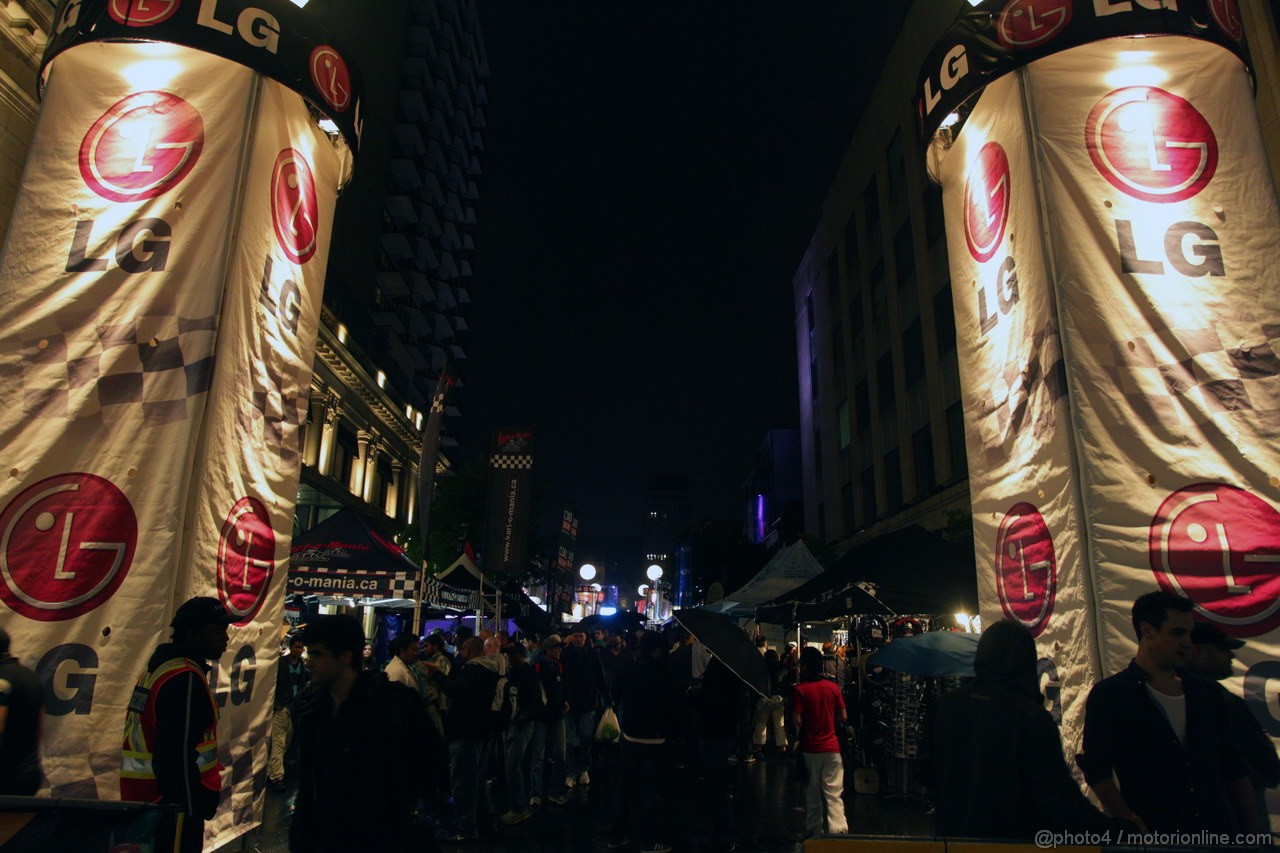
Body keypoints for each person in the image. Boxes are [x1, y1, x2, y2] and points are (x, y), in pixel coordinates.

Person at [927, 620, 1134, 839]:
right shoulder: (1029, 716)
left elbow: (927, 770)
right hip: (1014, 840)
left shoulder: (947, 705)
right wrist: (1115, 832)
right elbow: (1057, 798)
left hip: (954, 838)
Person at [1077, 590, 1261, 834]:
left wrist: (1253, 837)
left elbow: (1234, 769)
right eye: (1177, 632)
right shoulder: (1112, 696)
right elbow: (1096, 770)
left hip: (1216, 834)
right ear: (1147, 631)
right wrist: (1128, 820)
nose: (1187, 642)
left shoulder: (1207, 693)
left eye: (1189, 633)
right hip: (1156, 834)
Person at [289, 615, 427, 852]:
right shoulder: (312, 709)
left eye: (317, 654)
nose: (309, 662)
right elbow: (310, 783)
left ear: (345, 657)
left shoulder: (394, 704)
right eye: (309, 653)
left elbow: (427, 769)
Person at [121, 597, 232, 853]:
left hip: (145, 801)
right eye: (216, 630)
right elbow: (176, 757)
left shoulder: (158, 669)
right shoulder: (184, 679)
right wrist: (191, 808)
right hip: (171, 810)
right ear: (192, 633)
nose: (225, 638)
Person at [1185, 621, 1280, 824]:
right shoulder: (1215, 698)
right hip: (1234, 804)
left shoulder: (1202, 693)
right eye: (1222, 649)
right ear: (1198, 653)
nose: (1231, 656)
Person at [607, 631, 678, 853]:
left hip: (629, 734)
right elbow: (670, 707)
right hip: (654, 739)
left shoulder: (629, 668)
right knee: (650, 790)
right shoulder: (663, 673)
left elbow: (615, 693)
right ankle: (648, 841)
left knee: (624, 787)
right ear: (657, 649)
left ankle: (616, 836)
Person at [444, 637, 505, 842]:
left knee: (464, 782)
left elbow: (457, 692)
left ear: (468, 650)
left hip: (465, 732)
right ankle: (487, 823)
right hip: (482, 732)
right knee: (477, 781)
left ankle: (466, 828)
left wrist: (438, 677)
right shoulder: (492, 670)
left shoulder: (472, 671)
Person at [790, 645, 847, 837]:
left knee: (813, 795)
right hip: (832, 748)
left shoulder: (800, 690)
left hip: (811, 749)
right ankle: (838, 831)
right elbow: (843, 717)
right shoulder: (832, 688)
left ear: (806, 667)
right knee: (834, 794)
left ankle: (814, 831)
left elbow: (797, 720)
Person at [500, 642, 542, 826]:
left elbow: (535, 701)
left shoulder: (526, 674)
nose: (509, 658)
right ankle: (517, 806)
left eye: (512, 654)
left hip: (521, 724)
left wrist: (522, 718)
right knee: (512, 765)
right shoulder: (513, 673)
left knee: (513, 765)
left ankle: (519, 808)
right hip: (515, 723)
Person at [0, 627, 44, 795]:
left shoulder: (3, 680)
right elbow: (39, 730)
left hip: (7, 776)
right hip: (29, 771)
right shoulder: (30, 677)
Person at [530, 634, 570, 807]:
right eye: (556, 648)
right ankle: (536, 793)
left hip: (557, 716)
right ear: (548, 650)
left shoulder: (558, 666)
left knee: (560, 754)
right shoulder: (537, 667)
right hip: (542, 717)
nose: (559, 651)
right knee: (538, 756)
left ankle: (553, 791)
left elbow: (564, 687)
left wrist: (566, 702)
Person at [268, 634, 309, 792]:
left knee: (284, 742)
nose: (299, 650)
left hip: (293, 708)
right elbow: (273, 684)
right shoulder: (281, 663)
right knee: (279, 742)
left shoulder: (301, 665)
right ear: (291, 647)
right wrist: (276, 703)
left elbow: (301, 685)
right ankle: (276, 776)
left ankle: (273, 772)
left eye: (301, 647)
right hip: (282, 707)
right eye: (296, 647)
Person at [561, 626, 601, 788]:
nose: (578, 639)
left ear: (586, 638)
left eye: (581, 636)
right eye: (576, 636)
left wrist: (606, 698)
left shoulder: (592, 655)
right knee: (569, 741)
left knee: (585, 738)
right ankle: (571, 771)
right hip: (569, 703)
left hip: (587, 703)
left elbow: (600, 676)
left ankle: (583, 769)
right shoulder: (565, 654)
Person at [750, 648, 788, 759]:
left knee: (761, 724)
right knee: (779, 725)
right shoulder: (780, 669)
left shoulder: (762, 669)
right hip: (778, 698)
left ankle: (758, 748)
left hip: (764, 698)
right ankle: (782, 748)